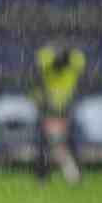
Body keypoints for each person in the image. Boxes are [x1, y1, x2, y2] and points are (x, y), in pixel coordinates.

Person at [33, 44, 86, 183]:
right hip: (47, 105)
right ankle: (43, 175)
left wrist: (65, 57)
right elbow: (39, 70)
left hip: (65, 106)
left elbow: (79, 64)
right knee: (45, 142)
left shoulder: (74, 62)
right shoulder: (46, 61)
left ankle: (75, 173)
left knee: (68, 141)